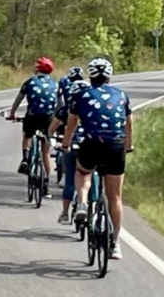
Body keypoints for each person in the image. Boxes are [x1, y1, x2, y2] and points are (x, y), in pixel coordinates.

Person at [62, 57, 133, 260]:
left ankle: (82, 204)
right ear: (109, 76)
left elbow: (71, 124)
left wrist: (65, 144)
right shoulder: (121, 95)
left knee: (82, 171)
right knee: (116, 197)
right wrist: (128, 146)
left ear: (90, 76)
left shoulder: (81, 95)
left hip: (92, 143)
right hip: (116, 145)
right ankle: (116, 243)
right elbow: (129, 124)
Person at [9, 56, 58, 198]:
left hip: (32, 116)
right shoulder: (55, 84)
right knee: (46, 152)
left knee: (27, 135)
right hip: (48, 118)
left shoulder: (30, 82)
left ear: (37, 69)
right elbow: (60, 104)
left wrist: (12, 113)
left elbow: (18, 99)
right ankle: (46, 186)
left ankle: (25, 159)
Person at [56, 79, 99, 224]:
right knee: (91, 174)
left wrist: (61, 143)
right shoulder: (94, 107)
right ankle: (92, 206)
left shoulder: (66, 109)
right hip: (91, 145)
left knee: (70, 179)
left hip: (72, 146)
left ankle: (65, 213)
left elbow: (53, 128)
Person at [48, 67, 84, 188]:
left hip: (64, 114)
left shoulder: (63, 82)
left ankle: (64, 175)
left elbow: (58, 102)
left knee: (65, 146)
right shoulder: (86, 87)